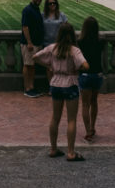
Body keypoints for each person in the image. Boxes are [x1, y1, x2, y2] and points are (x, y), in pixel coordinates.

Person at [34, 22, 89, 162]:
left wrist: (49, 65)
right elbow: (85, 65)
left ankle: (53, 148)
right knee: (71, 119)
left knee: (55, 117)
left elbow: (35, 57)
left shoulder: (53, 48)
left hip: (56, 83)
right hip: (70, 83)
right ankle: (71, 152)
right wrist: (77, 69)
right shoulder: (74, 51)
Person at [77, 16, 105, 142]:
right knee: (94, 102)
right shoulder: (101, 42)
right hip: (97, 74)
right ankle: (93, 127)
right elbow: (103, 60)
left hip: (85, 75)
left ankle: (88, 130)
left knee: (85, 104)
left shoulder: (80, 42)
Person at [20, 0, 45, 98]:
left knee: (32, 66)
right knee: (27, 65)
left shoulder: (36, 9)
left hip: (36, 42)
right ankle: (27, 88)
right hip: (29, 44)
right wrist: (29, 42)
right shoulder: (28, 10)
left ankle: (31, 87)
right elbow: (25, 27)